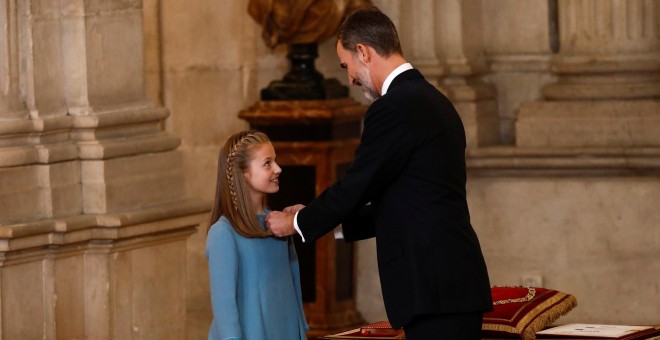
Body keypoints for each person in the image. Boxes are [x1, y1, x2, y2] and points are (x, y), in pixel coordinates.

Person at [265, 7, 493, 340]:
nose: (350, 79)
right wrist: (327, 219)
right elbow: (409, 202)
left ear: (364, 52)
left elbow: (357, 185)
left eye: (347, 66)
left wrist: (295, 222)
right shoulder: (434, 100)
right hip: (450, 283)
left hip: (433, 288)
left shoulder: (393, 108)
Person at [206, 130, 308, 340]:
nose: (278, 169)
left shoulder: (278, 225)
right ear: (243, 172)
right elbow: (224, 306)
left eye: (275, 161)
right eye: (267, 163)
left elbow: (292, 286)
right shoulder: (223, 233)